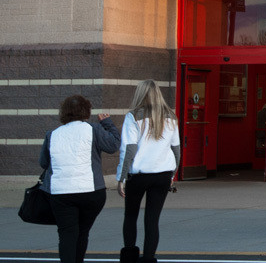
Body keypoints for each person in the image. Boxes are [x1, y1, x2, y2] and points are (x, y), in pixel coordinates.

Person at [39, 95, 121, 263]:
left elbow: (43, 163)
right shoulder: (94, 129)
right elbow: (114, 145)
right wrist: (107, 123)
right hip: (91, 192)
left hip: (61, 193)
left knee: (67, 234)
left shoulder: (52, 134)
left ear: (64, 112)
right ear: (86, 111)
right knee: (83, 232)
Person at [116, 80, 180, 263]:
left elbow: (129, 149)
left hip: (138, 175)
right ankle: (149, 258)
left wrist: (121, 178)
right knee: (152, 220)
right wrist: (172, 174)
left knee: (131, 216)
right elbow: (176, 149)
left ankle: (129, 257)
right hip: (163, 174)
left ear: (140, 94)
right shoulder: (171, 116)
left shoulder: (133, 116)